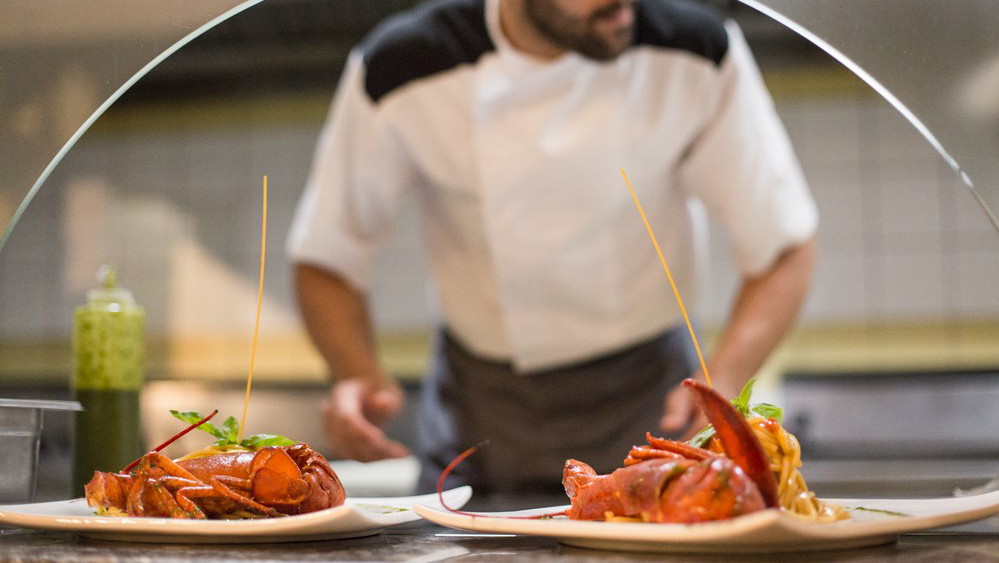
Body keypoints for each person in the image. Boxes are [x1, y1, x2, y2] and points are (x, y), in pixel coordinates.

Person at [287, 0, 817, 494]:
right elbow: (328, 256)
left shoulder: (697, 51)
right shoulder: (400, 67)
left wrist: (721, 377)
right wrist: (354, 371)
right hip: (477, 408)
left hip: (656, 405)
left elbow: (783, 248)